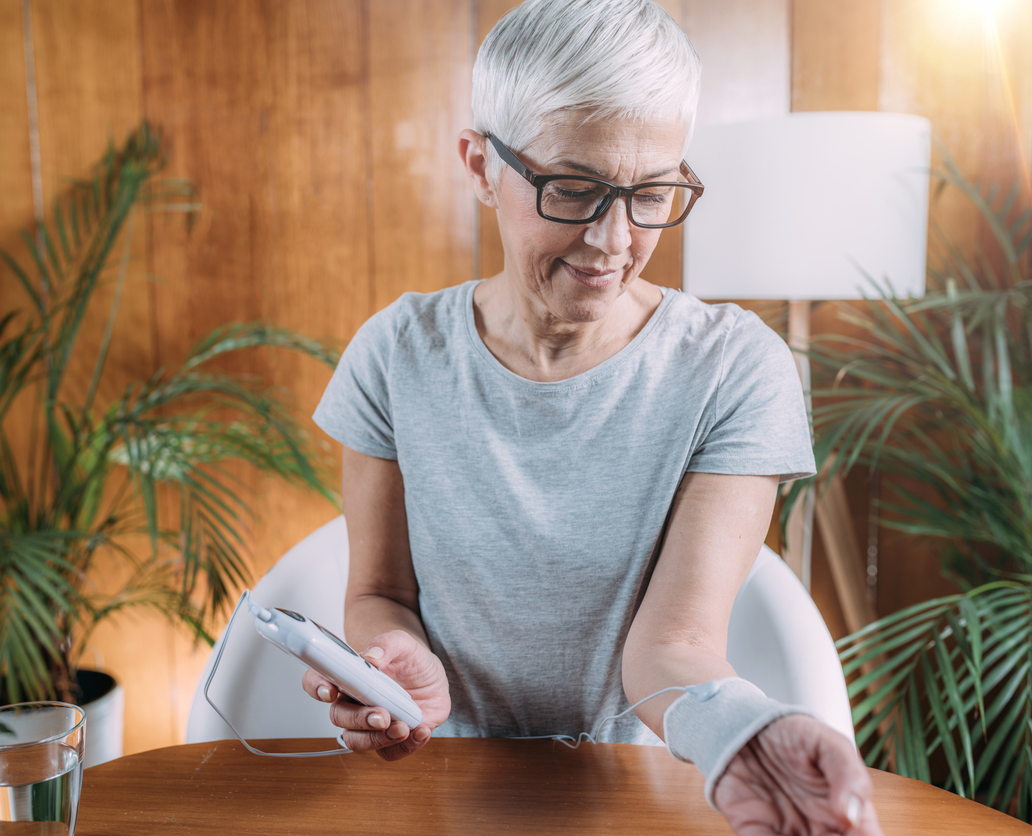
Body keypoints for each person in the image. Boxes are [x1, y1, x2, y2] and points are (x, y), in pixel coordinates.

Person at [304, 1, 882, 833]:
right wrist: (395, 660)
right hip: (439, 783)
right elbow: (380, 591)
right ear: (479, 165)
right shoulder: (397, 354)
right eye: (574, 189)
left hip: (642, 795)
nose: (615, 239)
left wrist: (744, 733)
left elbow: (673, 645)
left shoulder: (733, 368)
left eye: (652, 192)